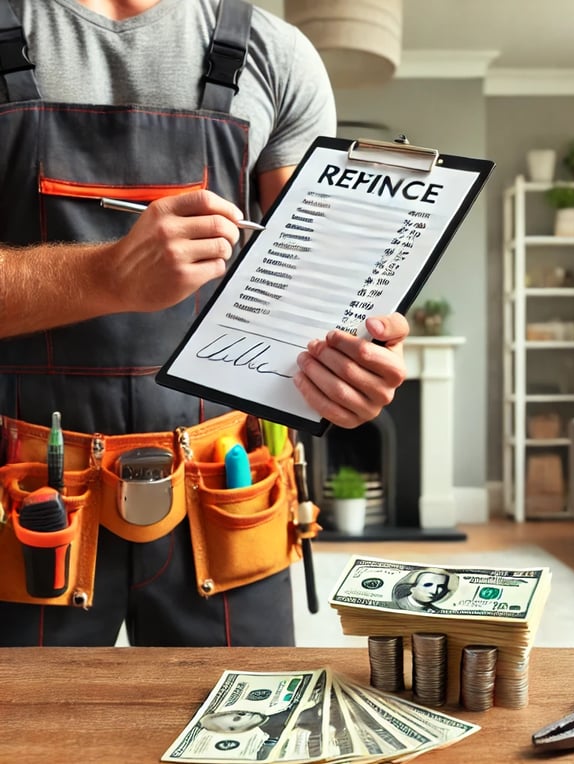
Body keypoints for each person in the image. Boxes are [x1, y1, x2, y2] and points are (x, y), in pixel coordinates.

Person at [0, 0, 409, 647]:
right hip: (30, 500)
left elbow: (315, 294)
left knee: (246, 731)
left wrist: (349, 365)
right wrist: (106, 276)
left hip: (226, 490)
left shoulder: (278, 58)